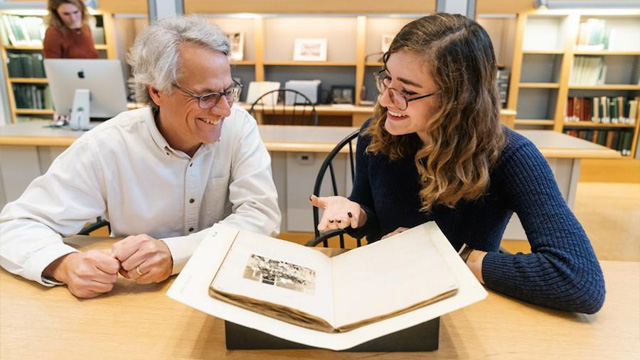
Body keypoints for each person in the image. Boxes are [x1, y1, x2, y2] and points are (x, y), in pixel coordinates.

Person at [310, 13, 605, 314]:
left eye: (408, 92)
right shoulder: (376, 134)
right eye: (386, 78)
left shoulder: (511, 156)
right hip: (388, 294)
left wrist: (448, 256)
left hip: (462, 305)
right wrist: (356, 213)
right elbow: (372, 214)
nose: (386, 100)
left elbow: (580, 281)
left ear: (459, 98)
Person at [0, 16, 281, 299]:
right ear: (157, 92)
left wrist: (174, 254)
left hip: (221, 290)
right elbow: (16, 225)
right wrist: (64, 264)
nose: (224, 110)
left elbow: (261, 216)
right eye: (206, 96)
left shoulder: (239, 127)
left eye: (228, 92)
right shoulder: (107, 146)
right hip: (137, 295)